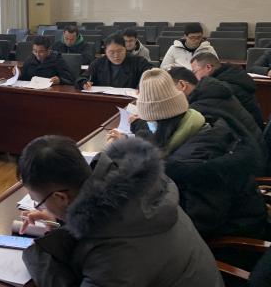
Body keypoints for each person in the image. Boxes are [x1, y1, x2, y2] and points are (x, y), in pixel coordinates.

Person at [18, 135, 222, 287]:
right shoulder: (140, 188)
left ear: (61, 197)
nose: (41, 208)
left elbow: (115, 258)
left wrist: (39, 259)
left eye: (39, 202)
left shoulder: (113, 252)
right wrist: (67, 220)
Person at [110, 69, 267, 239]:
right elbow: (160, 139)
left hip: (230, 241)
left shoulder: (196, 158)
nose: (149, 127)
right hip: (234, 222)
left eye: (149, 123)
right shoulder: (197, 124)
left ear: (159, 123)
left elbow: (199, 224)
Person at [168, 67, 267, 174]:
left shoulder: (201, 107)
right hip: (253, 156)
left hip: (251, 167)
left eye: (167, 91)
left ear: (182, 85)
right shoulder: (211, 94)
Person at [191, 52, 265, 128]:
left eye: (194, 72)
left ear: (208, 67)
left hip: (247, 132)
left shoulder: (222, 87)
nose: (194, 77)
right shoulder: (231, 76)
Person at [76, 34, 152, 90]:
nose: (116, 55)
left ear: (125, 49)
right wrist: (84, 83)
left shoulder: (138, 61)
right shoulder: (98, 63)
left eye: (120, 51)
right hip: (105, 100)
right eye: (111, 52)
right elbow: (82, 78)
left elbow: (152, 74)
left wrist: (142, 86)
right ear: (105, 52)